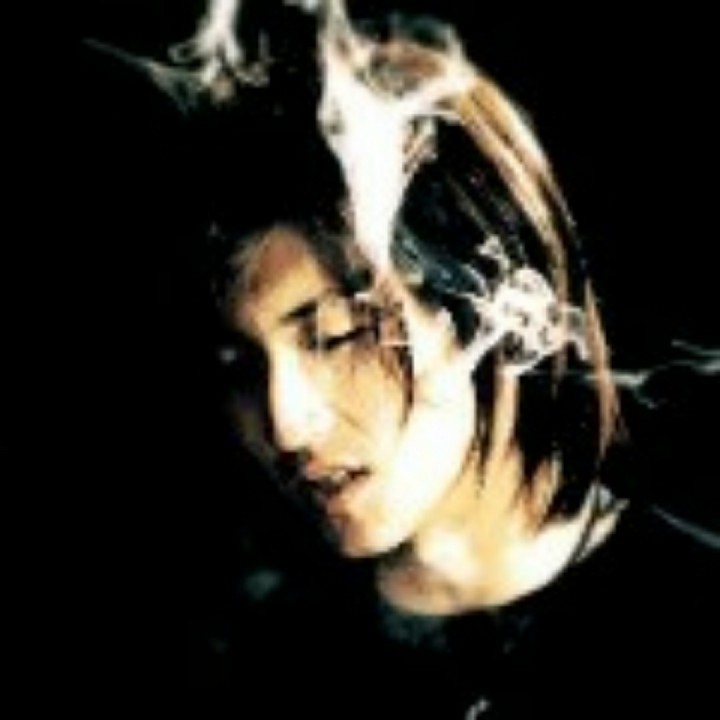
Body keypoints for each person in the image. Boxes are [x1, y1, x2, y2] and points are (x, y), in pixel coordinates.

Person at [86, 1, 719, 716]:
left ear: (491, 303)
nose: (285, 424)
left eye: (336, 334)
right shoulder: (238, 643)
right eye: (237, 363)